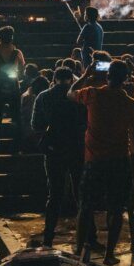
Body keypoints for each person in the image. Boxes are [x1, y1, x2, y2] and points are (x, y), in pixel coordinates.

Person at [68, 60, 134, 265]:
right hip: (119, 160)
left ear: (107, 75)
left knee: (86, 207)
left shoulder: (93, 94)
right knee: (116, 209)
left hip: (94, 160)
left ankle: (79, 250)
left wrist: (85, 75)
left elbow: (70, 93)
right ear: (126, 79)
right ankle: (110, 254)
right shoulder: (131, 104)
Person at [32, 66, 87, 247]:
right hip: (78, 147)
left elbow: (36, 124)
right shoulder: (79, 96)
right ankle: (88, 237)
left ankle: (48, 237)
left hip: (54, 148)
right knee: (81, 193)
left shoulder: (43, 97)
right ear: (71, 79)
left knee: (54, 194)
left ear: (54, 79)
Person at [0, 26, 25, 157]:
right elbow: (22, 71)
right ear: (12, 37)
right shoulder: (18, 53)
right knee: (17, 118)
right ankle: (17, 148)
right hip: (14, 86)